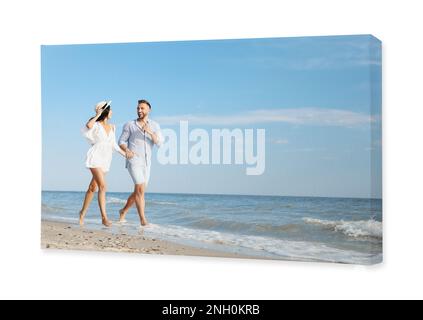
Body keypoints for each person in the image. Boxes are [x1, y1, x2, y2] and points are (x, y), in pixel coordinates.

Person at [79, 101, 126, 227]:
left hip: (106, 159)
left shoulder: (112, 127)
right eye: (110, 110)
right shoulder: (96, 125)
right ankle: (104, 218)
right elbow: (88, 125)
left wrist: (126, 155)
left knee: (92, 188)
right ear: (105, 111)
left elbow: (114, 145)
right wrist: (97, 114)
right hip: (95, 157)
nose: (112, 112)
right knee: (103, 187)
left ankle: (82, 213)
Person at [118, 99, 163, 226]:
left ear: (149, 110)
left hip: (147, 163)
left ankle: (123, 211)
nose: (139, 110)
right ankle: (143, 220)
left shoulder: (155, 125)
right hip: (133, 160)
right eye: (138, 108)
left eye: (142, 108)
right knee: (140, 190)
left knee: (140, 191)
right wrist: (127, 150)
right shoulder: (129, 125)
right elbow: (121, 141)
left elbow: (159, 143)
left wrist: (149, 131)